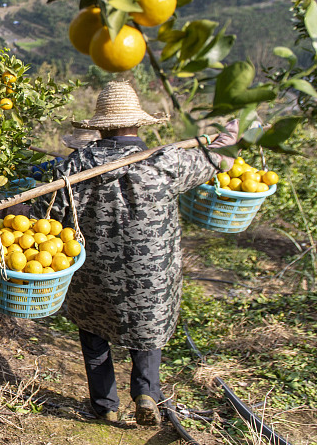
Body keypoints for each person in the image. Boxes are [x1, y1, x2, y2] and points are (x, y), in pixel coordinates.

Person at [26, 80, 237, 426]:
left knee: (93, 332)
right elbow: (220, 159)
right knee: (147, 327)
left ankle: (105, 404)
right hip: (151, 273)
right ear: (138, 123)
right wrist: (233, 130)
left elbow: (46, 218)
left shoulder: (75, 167)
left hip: (94, 273)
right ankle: (146, 393)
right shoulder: (165, 162)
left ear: (101, 126)